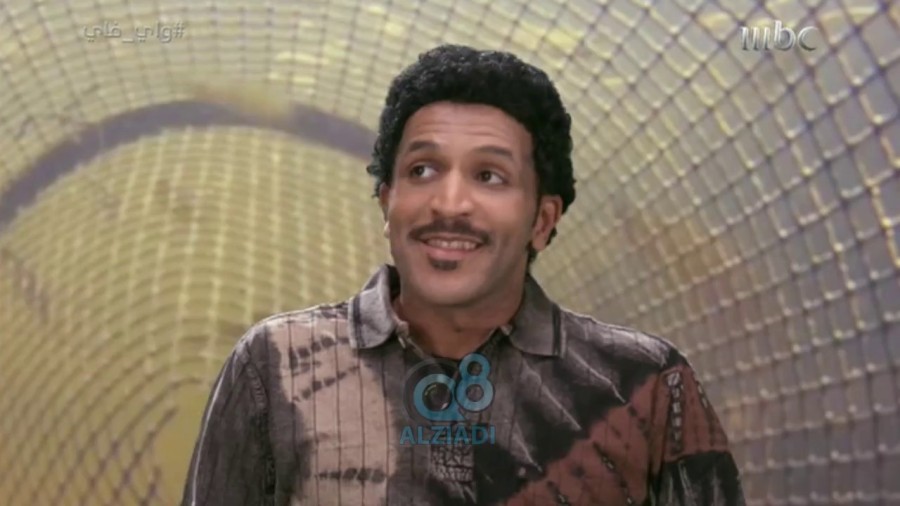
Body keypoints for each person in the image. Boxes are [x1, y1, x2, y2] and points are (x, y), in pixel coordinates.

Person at [182, 44, 746, 506]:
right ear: (387, 204)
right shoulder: (273, 365)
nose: (449, 203)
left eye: (489, 176)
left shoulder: (645, 383)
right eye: (423, 169)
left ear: (542, 220)